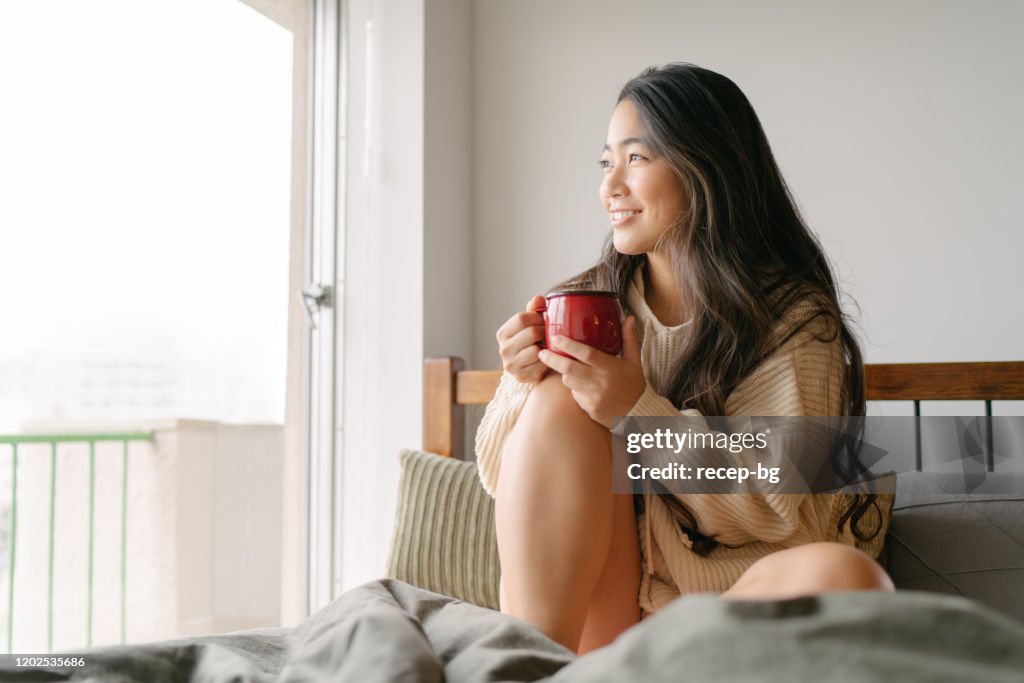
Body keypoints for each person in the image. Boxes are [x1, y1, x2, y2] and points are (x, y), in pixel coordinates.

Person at [475, 63, 894, 655]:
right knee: (557, 401)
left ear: (707, 169)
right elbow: (504, 477)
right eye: (605, 163)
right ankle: (529, 666)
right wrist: (522, 381)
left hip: (728, 620)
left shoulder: (795, 320)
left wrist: (638, 414)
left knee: (846, 577)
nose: (609, 186)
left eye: (636, 159)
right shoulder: (591, 304)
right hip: (610, 620)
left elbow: (773, 505)